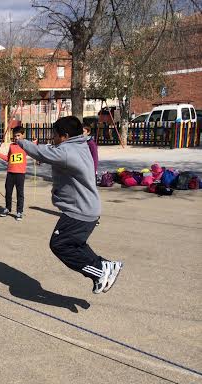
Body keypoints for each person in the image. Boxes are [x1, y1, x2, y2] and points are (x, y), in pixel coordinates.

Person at [17, 116, 123, 294]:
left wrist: (21, 142)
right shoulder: (79, 146)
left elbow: (41, 153)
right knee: (76, 244)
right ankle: (105, 266)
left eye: (55, 135)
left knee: (59, 244)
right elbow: (50, 150)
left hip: (79, 211)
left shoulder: (67, 152)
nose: (53, 138)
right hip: (88, 208)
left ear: (65, 136)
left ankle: (100, 271)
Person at [0, 126, 28, 221]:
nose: (17, 138)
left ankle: (19, 211)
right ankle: (7, 208)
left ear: (23, 135)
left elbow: (35, 151)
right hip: (10, 173)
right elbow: (8, 158)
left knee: (20, 193)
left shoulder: (26, 145)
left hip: (20, 174)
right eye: (15, 136)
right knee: (8, 192)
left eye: (18, 135)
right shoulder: (11, 146)